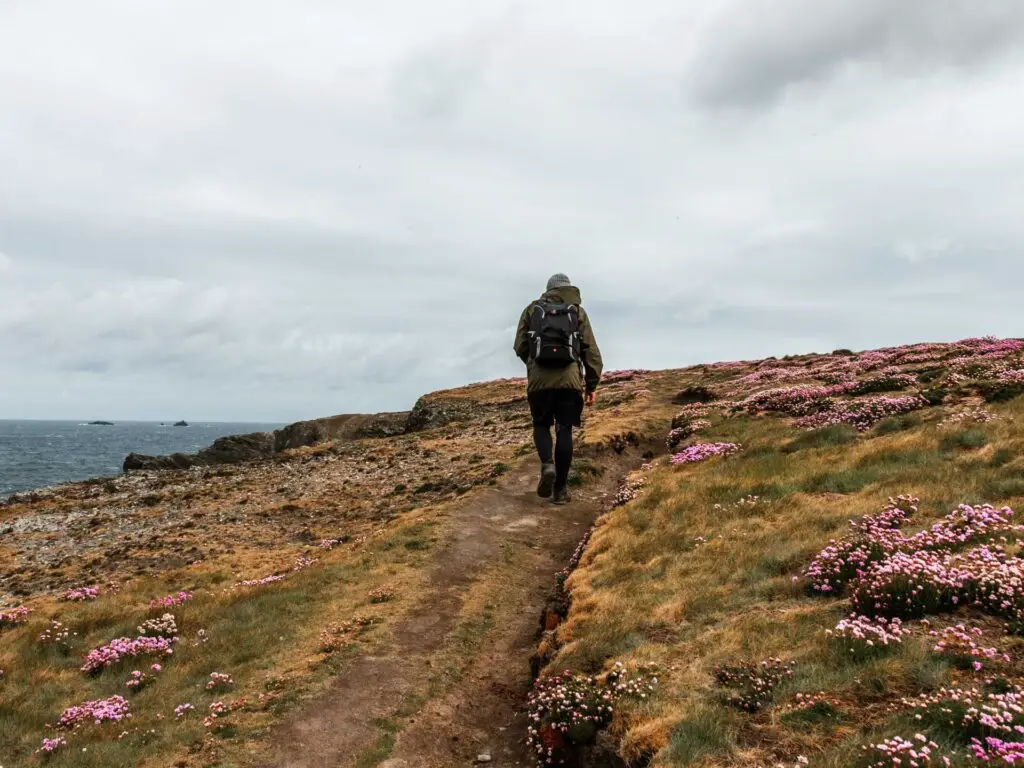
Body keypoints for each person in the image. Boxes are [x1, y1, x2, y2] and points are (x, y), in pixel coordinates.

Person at [514, 273, 603, 505]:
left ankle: (547, 465)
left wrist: (534, 366)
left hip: (539, 384)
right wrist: (591, 385)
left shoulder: (532, 310)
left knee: (541, 424)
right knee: (565, 430)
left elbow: (520, 346)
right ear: (569, 289)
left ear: (548, 290)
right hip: (570, 382)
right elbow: (590, 351)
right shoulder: (577, 312)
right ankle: (561, 490)